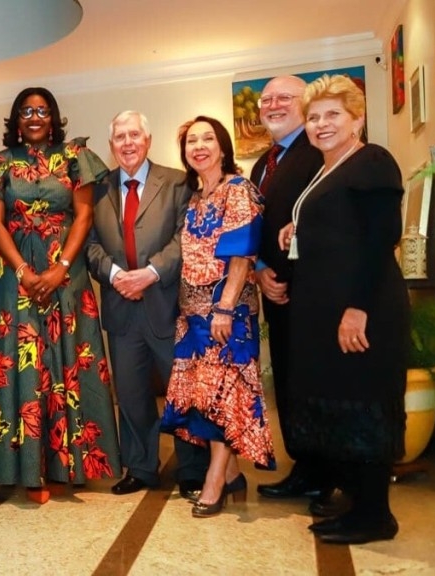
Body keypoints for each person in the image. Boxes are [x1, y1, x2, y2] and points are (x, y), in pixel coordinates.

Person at [0, 87, 120, 503]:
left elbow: (85, 214)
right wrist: (22, 269)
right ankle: (25, 469)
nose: (34, 117)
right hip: (12, 272)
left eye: (42, 110)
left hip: (65, 272)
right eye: (26, 111)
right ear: (15, 119)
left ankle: (67, 467)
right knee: (19, 364)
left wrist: (58, 269)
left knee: (67, 360)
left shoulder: (76, 157)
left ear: (53, 117)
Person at [278, 74, 407, 544]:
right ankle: (357, 505)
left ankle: (376, 516)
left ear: (358, 118)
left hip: (363, 310)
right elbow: (337, 227)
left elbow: (379, 241)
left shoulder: (372, 160)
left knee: (364, 406)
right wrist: (295, 232)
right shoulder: (326, 169)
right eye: (313, 117)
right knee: (342, 408)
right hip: (324, 313)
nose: (321, 124)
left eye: (333, 114)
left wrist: (358, 309)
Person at [86, 110, 209, 498]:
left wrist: (151, 273)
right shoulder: (98, 188)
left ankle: (192, 469)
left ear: (148, 140)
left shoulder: (176, 183)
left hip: (167, 304)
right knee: (133, 395)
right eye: (119, 137)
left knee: (181, 391)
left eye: (134, 135)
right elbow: (88, 245)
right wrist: (116, 275)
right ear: (111, 146)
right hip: (121, 310)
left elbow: (183, 238)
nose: (127, 143)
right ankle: (140, 467)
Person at [159, 116, 275, 518]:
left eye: (208, 139)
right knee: (204, 399)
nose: (200, 146)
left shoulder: (237, 190)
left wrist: (224, 307)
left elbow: (242, 255)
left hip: (227, 314)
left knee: (225, 397)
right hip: (191, 317)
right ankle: (231, 475)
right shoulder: (195, 197)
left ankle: (213, 483)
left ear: (223, 147)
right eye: (192, 141)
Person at [249, 77, 330, 505]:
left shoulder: (321, 151)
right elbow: (256, 226)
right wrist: (261, 269)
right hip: (274, 294)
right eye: (267, 99)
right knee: (289, 382)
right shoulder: (263, 163)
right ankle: (304, 467)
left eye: (284, 97)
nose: (273, 104)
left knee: (317, 383)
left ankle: (325, 471)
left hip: (314, 294)